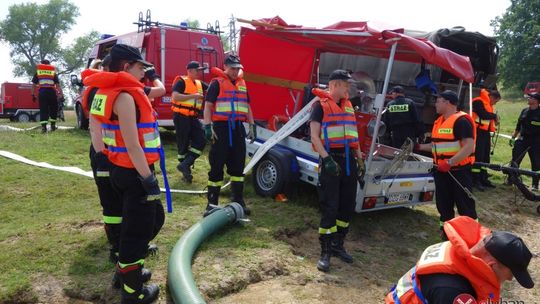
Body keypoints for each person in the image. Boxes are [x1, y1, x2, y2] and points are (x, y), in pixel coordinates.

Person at [87, 44, 165, 304]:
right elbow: (133, 144)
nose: (143, 71)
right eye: (139, 67)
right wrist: (148, 179)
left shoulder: (104, 92)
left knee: (150, 221)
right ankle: (134, 294)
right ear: (125, 67)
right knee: (137, 233)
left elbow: (95, 128)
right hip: (134, 172)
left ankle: (125, 273)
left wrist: (102, 160)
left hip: (118, 170)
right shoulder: (125, 98)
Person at [385, 216, 534, 304]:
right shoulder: (453, 291)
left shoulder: (455, 253)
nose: (509, 279)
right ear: (491, 265)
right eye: (511, 274)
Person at [309, 70, 363, 272]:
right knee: (330, 207)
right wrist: (327, 159)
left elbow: (354, 135)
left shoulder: (349, 106)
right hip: (331, 160)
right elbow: (314, 136)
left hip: (349, 161)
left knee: (346, 205)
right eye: (345, 84)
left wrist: (359, 160)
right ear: (335, 85)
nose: (348, 88)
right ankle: (325, 251)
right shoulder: (319, 107)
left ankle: (338, 244)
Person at [417, 90, 477, 237]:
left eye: (438, 101)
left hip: (458, 171)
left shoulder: (461, 121)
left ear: (448, 102)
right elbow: (437, 146)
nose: (435, 104)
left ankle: (470, 235)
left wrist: (450, 162)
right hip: (441, 171)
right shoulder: (439, 121)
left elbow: (469, 146)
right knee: (444, 205)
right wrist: (419, 147)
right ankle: (446, 233)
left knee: (465, 205)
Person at [202, 54, 255, 216]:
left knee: (238, 165)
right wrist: (208, 126)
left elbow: (247, 106)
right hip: (221, 129)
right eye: (232, 68)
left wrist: (252, 125)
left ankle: (238, 200)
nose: (235, 71)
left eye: (237, 68)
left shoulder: (242, 84)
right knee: (217, 165)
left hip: (237, 128)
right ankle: (212, 203)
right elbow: (208, 106)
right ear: (225, 67)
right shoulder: (216, 83)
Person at [171, 61, 208, 183]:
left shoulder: (199, 84)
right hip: (181, 116)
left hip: (193, 117)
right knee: (183, 144)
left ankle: (186, 163)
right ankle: (185, 173)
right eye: (197, 70)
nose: (199, 72)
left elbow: (212, 88)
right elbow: (175, 96)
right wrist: (193, 96)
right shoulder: (181, 81)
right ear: (190, 71)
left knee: (201, 139)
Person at [509, 92, 540, 191]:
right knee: (515, 159)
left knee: (536, 163)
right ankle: (511, 179)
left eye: (531, 97)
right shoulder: (524, 111)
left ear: (536, 100)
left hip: (536, 142)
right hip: (522, 139)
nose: (528, 99)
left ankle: (535, 184)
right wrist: (513, 137)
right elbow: (518, 125)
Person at [471, 89, 501, 191]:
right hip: (477, 132)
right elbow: (483, 114)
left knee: (485, 156)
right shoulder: (478, 101)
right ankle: (475, 180)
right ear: (492, 97)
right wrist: (495, 116)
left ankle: (483, 178)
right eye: (496, 101)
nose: (495, 103)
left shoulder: (488, 104)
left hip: (485, 133)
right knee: (478, 156)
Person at [32, 59, 63, 133]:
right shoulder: (53, 73)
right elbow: (58, 85)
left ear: (41, 64)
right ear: (49, 64)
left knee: (43, 110)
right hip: (51, 92)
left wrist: (33, 94)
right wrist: (61, 94)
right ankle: (53, 126)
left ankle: (44, 128)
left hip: (42, 92)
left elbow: (33, 85)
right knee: (53, 109)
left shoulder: (38, 72)